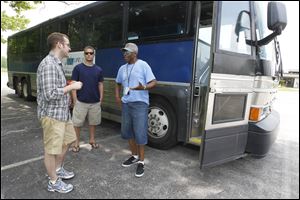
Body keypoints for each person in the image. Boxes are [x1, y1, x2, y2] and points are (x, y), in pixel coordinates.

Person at [37, 32, 83, 193]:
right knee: (51, 150)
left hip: (63, 114)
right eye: (68, 44)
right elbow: (49, 94)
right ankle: (53, 182)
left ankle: (57, 169)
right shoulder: (48, 64)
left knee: (68, 140)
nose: (70, 48)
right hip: (52, 116)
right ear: (59, 45)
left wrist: (68, 87)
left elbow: (56, 87)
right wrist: (71, 88)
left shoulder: (57, 63)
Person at [115, 43, 157, 177]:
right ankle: (134, 156)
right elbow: (118, 83)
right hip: (126, 103)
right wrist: (117, 97)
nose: (124, 54)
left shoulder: (143, 65)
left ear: (134, 53)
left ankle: (142, 161)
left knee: (139, 132)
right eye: (124, 52)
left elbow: (154, 82)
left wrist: (143, 87)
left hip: (140, 104)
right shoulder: (122, 68)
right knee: (127, 131)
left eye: (127, 52)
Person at [71, 46, 104, 152]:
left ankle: (92, 140)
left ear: (94, 54)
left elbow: (100, 84)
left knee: (93, 122)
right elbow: (73, 84)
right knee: (77, 123)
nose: (89, 55)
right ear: (84, 54)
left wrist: (101, 98)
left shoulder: (98, 69)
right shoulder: (78, 68)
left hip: (95, 102)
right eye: (86, 53)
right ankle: (76, 142)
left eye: (91, 53)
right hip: (81, 101)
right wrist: (75, 100)